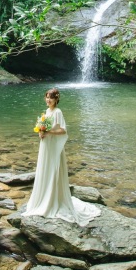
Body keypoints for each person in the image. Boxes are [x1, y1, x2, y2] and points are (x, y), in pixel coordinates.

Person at [23, 87, 100, 226]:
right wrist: (41, 131)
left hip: (53, 145)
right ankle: (44, 196)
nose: (48, 100)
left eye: (50, 98)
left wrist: (49, 132)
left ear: (56, 99)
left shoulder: (58, 112)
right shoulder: (47, 111)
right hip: (46, 144)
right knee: (44, 168)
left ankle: (53, 198)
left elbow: (63, 130)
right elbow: (45, 127)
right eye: (46, 97)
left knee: (53, 168)